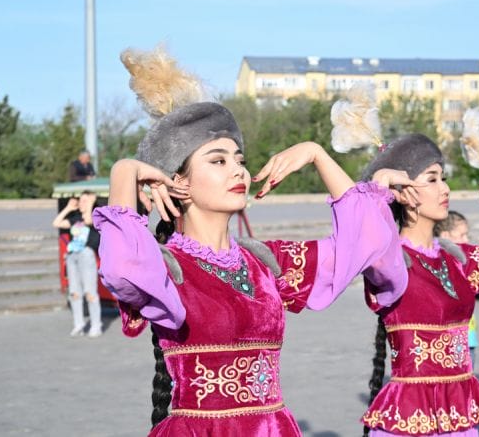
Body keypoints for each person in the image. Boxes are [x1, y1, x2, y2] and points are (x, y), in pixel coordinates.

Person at [93, 46, 410, 435]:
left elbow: (370, 241)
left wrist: (317, 154)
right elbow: (122, 268)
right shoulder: (167, 266)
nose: (238, 170)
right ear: (178, 183)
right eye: (219, 160)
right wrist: (124, 171)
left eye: (239, 160)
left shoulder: (265, 261)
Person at [360, 135, 479, 436]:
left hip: (457, 412)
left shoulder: (458, 260)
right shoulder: (392, 260)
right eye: (432, 179)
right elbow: (367, 241)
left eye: (444, 178)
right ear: (402, 191)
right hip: (411, 416)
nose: (445, 188)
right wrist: (378, 188)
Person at [52, 191, 102, 337]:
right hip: (72, 255)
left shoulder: (96, 217)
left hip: (86, 254)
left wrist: (90, 203)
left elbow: (89, 221)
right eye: (80, 200)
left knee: (90, 292)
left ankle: (96, 325)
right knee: (74, 292)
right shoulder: (75, 218)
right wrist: (68, 208)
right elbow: (56, 223)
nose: (81, 203)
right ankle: (78, 323)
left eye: (85, 200)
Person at [434, 210, 479, 367]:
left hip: (468, 337)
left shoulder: (465, 262)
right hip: (444, 340)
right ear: (445, 236)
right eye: (462, 235)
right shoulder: (438, 263)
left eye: (467, 235)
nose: (466, 240)